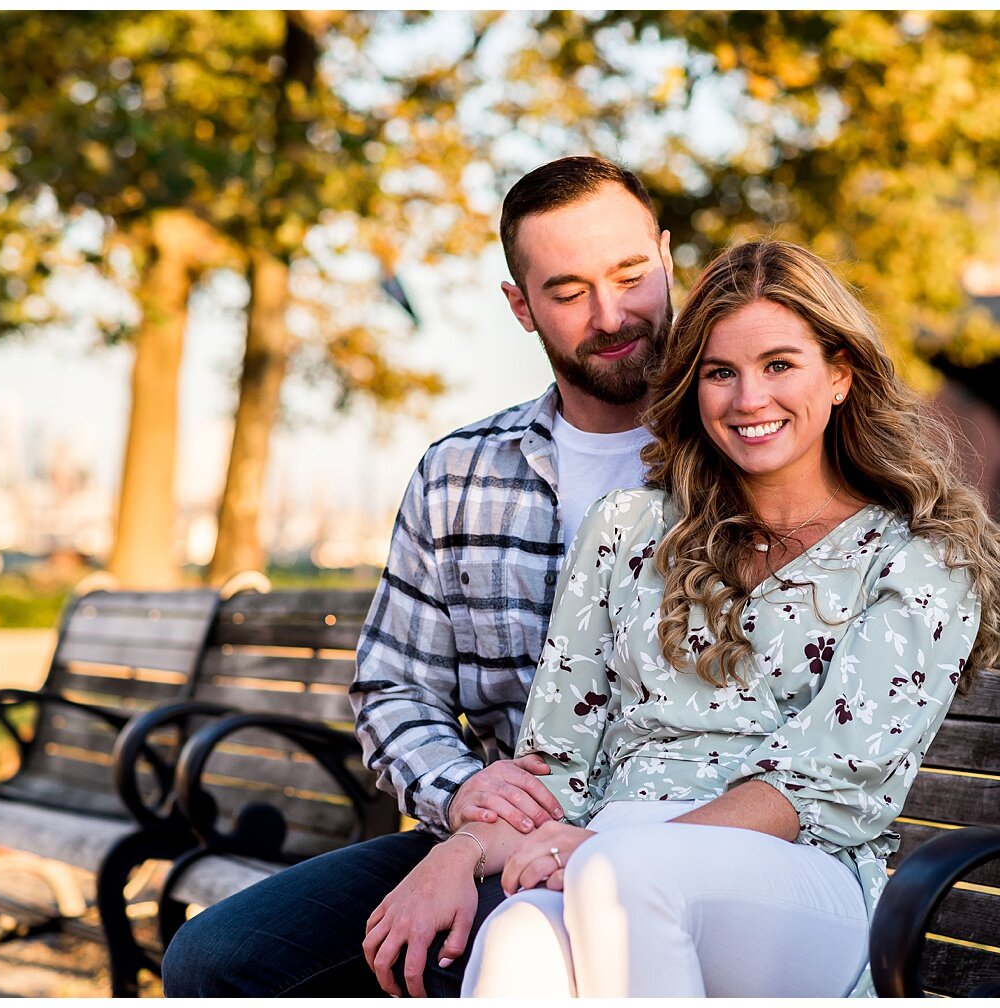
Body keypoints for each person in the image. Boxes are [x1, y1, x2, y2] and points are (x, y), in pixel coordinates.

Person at [361, 240, 1000, 998]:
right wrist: (462, 852)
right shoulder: (627, 529)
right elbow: (560, 761)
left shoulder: (915, 557)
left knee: (622, 876)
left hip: (800, 882)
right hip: (606, 857)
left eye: (779, 365)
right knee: (518, 936)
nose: (749, 399)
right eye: (721, 372)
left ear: (839, 375)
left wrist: (594, 855)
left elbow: (822, 784)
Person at [161, 155, 675, 997]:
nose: (611, 314)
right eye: (568, 290)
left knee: (453, 966)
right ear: (521, 306)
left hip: (670, 839)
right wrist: (466, 792)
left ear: (666, 255)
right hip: (496, 825)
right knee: (219, 960)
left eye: (630, 275)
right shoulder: (461, 473)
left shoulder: (742, 457)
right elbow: (394, 687)